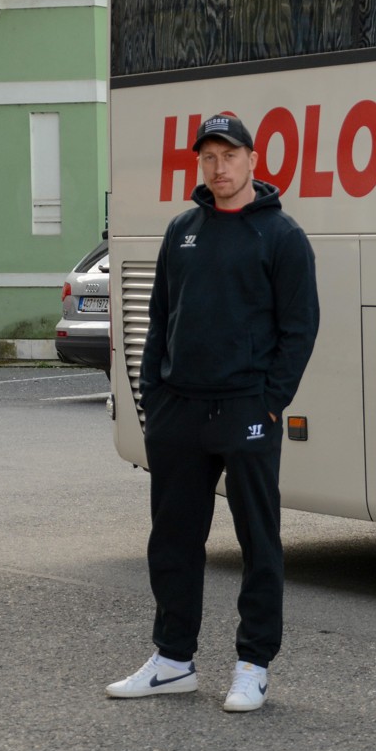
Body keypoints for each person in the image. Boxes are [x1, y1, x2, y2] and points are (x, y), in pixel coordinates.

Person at [106, 112, 319, 713]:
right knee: (173, 540)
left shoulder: (281, 237)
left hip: (246, 409)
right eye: (208, 157)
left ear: (252, 159)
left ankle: (253, 665)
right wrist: (153, 397)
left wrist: (270, 404)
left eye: (229, 155)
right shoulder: (182, 231)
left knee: (258, 541)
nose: (218, 167)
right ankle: (173, 660)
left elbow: (300, 329)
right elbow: (159, 319)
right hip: (179, 411)